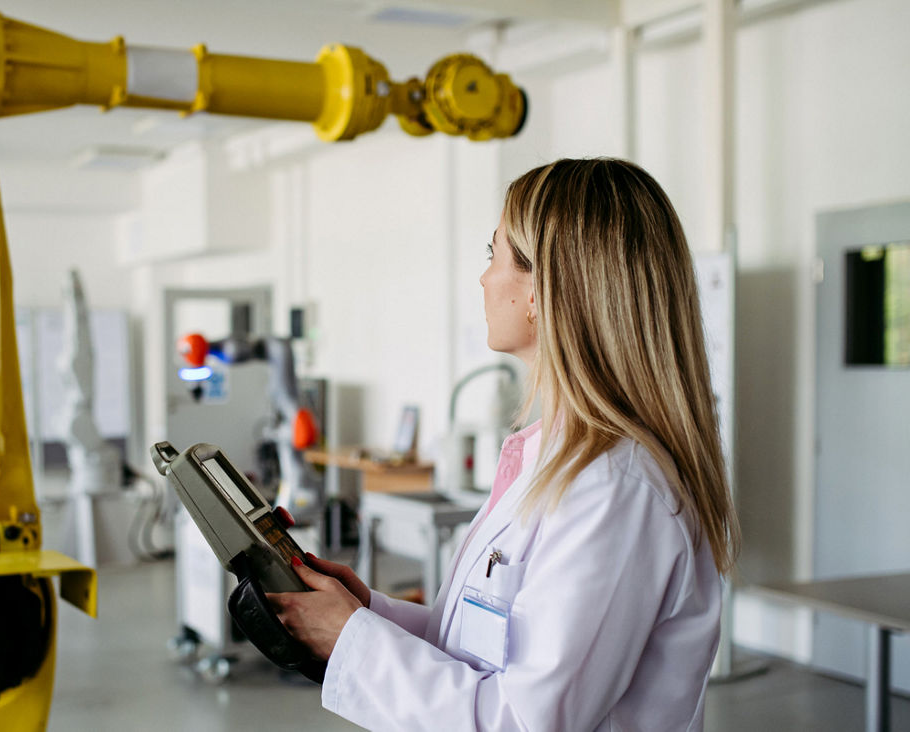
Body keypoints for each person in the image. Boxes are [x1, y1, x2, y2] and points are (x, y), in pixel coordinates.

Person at [268, 158, 740, 731]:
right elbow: (480, 651)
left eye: (495, 254)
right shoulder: (563, 461)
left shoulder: (616, 490)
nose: (484, 278)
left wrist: (350, 638)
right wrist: (364, 613)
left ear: (541, 290)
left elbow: (523, 722)